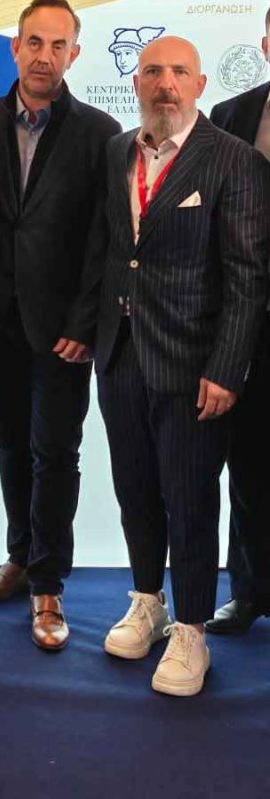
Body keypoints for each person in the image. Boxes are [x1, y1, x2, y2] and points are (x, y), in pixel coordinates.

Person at [94, 35, 270, 696]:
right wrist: (90, 336)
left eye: (178, 72)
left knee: (191, 499)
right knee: (135, 491)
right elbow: (112, 252)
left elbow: (247, 276)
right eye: (152, 72)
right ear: (136, 83)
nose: (164, 83)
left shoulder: (235, 160)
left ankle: (192, 627)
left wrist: (227, 368)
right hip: (120, 355)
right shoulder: (117, 152)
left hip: (195, 365)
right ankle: (148, 600)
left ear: (199, 85)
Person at [0, 0, 120, 650]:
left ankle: (48, 585)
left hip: (64, 331)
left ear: (74, 55)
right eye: (34, 42)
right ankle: (20, 558)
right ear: (15, 47)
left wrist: (85, 323)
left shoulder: (100, 132)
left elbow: (106, 239)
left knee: (55, 453)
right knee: (9, 446)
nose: (44, 56)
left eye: (59, 45)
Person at [207, 6, 270, 635]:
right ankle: (249, 591)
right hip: (247, 321)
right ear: (266, 44)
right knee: (248, 462)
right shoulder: (231, 115)